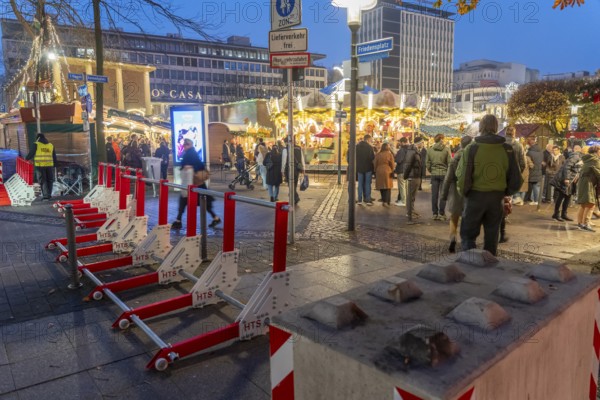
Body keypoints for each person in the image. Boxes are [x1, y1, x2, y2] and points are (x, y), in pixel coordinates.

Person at [456, 114, 522, 256]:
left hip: (475, 196)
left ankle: (469, 264)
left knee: (468, 235)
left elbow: (462, 175)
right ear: (496, 127)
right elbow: (516, 177)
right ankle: (490, 267)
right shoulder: (506, 149)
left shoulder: (472, 148)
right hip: (496, 197)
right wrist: (506, 192)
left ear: (481, 127)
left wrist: (464, 192)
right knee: (492, 235)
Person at [171, 138, 221, 230]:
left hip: (194, 184)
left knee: (187, 201)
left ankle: (179, 221)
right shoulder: (190, 153)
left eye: (186, 144)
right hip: (194, 184)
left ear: (191, 145)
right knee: (201, 202)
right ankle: (178, 220)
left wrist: (191, 166)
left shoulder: (191, 154)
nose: (184, 146)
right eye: (184, 144)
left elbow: (198, 166)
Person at [441, 135, 472, 253]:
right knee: (466, 217)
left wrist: (444, 194)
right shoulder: (472, 157)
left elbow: (448, 178)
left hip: (455, 190)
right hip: (468, 191)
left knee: (454, 217)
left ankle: (453, 238)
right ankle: (465, 241)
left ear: (461, 144)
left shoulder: (455, 158)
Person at [551, 145, 583, 222]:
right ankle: (556, 214)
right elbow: (567, 167)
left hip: (571, 180)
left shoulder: (577, 156)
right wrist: (567, 178)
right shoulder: (575, 156)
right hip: (566, 180)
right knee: (562, 196)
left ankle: (563, 214)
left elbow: (576, 169)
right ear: (579, 150)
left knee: (567, 196)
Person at [426, 134, 452, 221]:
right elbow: (450, 163)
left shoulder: (429, 150)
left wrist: (432, 170)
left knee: (434, 194)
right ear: (441, 139)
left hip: (434, 174)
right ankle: (441, 213)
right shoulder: (446, 149)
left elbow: (428, 163)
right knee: (443, 194)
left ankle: (434, 213)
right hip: (444, 174)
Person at [575, 145, 600, 232]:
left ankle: (580, 223)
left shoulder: (587, 159)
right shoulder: (595, 160)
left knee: (584, 204)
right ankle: (585, 224)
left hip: (584, 182)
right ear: (596, 152)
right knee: (590, 203)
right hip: (588, 183)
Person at [25, 133, 57, 200]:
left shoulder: (36, 144)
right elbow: (54, 155)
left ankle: (46, 196)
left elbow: (31, 153)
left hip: (40, 166)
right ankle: (49, 195)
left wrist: (26, 159)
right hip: (49, 165)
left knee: (43, 180)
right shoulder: (50, 145)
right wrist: (55, 164)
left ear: (38, 138)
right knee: (50, 180)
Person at [403, 136, 425, 224]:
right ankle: (409, 216)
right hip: (413, 176)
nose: (423, 144)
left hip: (416, 175)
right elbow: (408, 164)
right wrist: (406, 176)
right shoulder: (412, 151)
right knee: (410, 197)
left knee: (412, 196)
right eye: (422, 142)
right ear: (419, 143)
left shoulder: (415, 151)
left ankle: (411, 212)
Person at [505, 126, 526, 205]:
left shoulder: (500, 144)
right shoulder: (519, 145)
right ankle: (508, 209)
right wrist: (519, 171)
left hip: (501, 172)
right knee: (510, 194)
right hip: (513, 172)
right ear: (514, 133)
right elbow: (523, 162)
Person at [281, 136, 305, 204]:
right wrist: (303, 168)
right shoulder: (299, 148)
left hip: (289, 169)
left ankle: (295, 197)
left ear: (287, 142)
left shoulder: (285, 149)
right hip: (297, 169)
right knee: (295, 183)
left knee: (290, 184)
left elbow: (284, 161)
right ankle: (293, 196)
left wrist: (282, 170)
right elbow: (302, 159)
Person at [356, 134, 375, 205]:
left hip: (359, 168)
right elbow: (372, 158)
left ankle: (359, 199)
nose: (371, 141)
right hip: (368, 168)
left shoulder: (357, 147)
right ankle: (367, 199)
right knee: (367, 184)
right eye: (370, 140)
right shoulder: (369, 147)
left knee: (360, 184)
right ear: (367, 140)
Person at [525, 136, 543, 205]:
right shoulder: (541, 151)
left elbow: (527, 162)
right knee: (536, 186)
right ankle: (536, 200)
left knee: (531, 186)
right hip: (539, 170)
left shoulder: (529, 152)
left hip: (532, 171)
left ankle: (532, 200)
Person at [394, 137, 409, 206]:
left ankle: (403, 201)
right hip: (407, 169)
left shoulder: (402, 150)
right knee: (406, 186)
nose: (399, 143)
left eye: (400, 142)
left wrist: (396, 157)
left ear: (402, 142)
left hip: (401, 169)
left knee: (402, 186)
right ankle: (406, 200)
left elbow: (398, 160)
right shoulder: (409, 149)